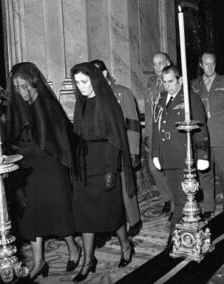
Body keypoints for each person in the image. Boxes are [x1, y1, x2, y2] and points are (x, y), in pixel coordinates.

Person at [5, 62, 81, 280]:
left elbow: (55, 141)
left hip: (51, 168)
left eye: (23, 85)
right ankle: (39, 262)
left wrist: (23, 152)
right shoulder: (21, 105)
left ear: (33, 83)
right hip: (29, 169)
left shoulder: (48, 104)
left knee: (58, 212)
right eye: (17, 86)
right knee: (31, 215)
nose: (21, 91)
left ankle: (73, 248)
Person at [71, 62, 135, 282]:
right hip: (84, 165)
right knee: (84, 213)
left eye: (84, 82)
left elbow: (115, 140)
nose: (80, 86)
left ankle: (126, 245)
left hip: (104, 164)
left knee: (109, 212)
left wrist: (110, 170)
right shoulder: (82, 103)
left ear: (95, 80)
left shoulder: (107, 103)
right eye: (77, 82)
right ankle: (88, 260)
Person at [151, 65, 209, 246]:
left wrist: (202, 155)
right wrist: (155, 153)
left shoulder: (190, 99)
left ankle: (175, 234)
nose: (167, 86)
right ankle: (184, 230)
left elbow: (201, 127)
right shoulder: (161, 98)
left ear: (180, 80)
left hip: (185, 156)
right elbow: (156, 127)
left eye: (171, 82)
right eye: (164, 82)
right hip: (168, 156)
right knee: (178, 196)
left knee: (181, 199)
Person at [91, 59, 142, 237]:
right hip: (101, 150)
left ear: (104, 74)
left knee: (125, 184)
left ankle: (134, 220)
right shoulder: (91, 97)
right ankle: (113, 222)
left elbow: (134, 124)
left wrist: (134, 150)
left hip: (123, 146)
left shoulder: (122, 93)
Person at [191, 52, 224, 219]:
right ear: (201, 65)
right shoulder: (194, 85)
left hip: (222, 134)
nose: (210, 67)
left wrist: (223, 122)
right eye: (206, 64)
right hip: (201, 136)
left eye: (213, 64)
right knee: (204, 172)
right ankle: (208, 206)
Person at [145, 52, 173, 218]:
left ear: (168, 63)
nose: (157, 68)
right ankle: (167, 199)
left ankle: (175, 203)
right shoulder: (150, 82)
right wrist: (148, 133)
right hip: (153, 133)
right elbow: (149, 110)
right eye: (154, 64)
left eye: (160, 63)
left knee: (170, 169)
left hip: (168, 133)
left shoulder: (173, 81)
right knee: (154, 168)